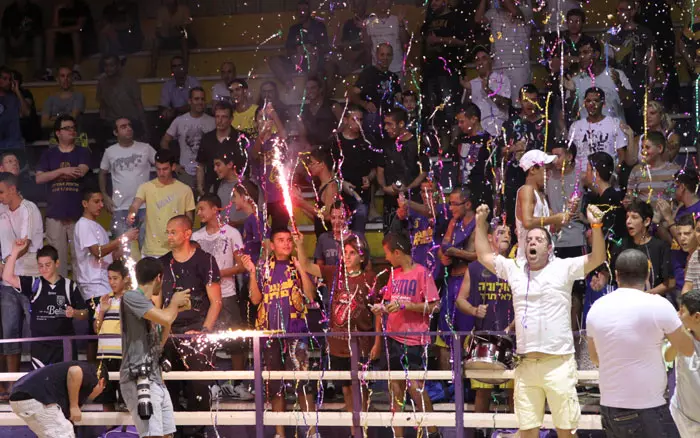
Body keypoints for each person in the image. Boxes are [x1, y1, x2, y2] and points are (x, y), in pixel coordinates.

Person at [473, 201, 606, 438]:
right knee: (527, 433)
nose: (532, 242)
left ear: (550, 248)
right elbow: (483, 255)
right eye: (529, 240)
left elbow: (597, 258)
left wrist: (596, 225)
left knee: (566, 432)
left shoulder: (564, 268)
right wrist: (479, 223)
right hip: (525, 367)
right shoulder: (514, 268)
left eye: (539, 240)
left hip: (558, 364)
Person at [587, 248, 695, 438]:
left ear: (617, 275)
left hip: (609, 408)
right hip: (646, 408)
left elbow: (595, 358)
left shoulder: (596, 308)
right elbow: (687, 349)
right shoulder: (658, 305)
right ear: (647, 274)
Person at [295, 232, 380, 438]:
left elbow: (378, 313)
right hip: (337, 344)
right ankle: (354, 431)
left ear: (362, 256)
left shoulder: (370, 278)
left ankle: (364, 430)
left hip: (363, 343)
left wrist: (377, 342)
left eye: (352, 253)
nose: (347, 256)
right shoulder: (334, 273)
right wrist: (300, 244)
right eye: (345, 252)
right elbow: (306, 266)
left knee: (361, 388)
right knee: (347, 389)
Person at [244, 227, 319, 438]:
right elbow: (255, 300)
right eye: (281, 240)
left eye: (288, 240)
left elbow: (310, 296)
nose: (286, 243)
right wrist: (251, 273)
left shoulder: (298, 265)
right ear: (272, 244)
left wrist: (302, 269)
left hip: (296, 333)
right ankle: (279, 433)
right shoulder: (264, 268)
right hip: (270, 335)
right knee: (274, 385)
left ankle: (312, 432)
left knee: (302, 382)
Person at [372, 232, 441, 438]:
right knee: (395, 389)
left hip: (413, 340)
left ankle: (433, 432)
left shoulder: (422, 273)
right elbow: (388, 303)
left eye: (387, 253)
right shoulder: (393, 275)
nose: (386, 258)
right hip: (392, 338)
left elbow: (435, 306)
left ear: (397, 252)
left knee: (416, 388)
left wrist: (407, 305)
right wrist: (380, 309)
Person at [158, 215, 221, 432]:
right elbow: (156, 303)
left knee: (198, 388)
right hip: (168, 334)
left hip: (196, 334)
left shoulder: (206, 260)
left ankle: (197, 433)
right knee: (168, 389)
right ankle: (172, 432)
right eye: (167, 232)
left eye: (172, 232)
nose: (169, 236)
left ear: (187, 234)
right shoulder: (162, 263)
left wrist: (204, 331)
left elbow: (216, 302)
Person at [120, 257, 190, 438]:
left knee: (167, 435)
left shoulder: (150, 307)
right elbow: (166, 317)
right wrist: (173, 305)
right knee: (153, 436)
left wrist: (175, 311)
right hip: (138, 377)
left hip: (156, 379)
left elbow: (159, 342)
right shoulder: (131, 297)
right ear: (159, 277)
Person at [192, 194, 251, 400]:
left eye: (202, 208)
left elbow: (242, 265)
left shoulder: (232, 233)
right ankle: (212, 384)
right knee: (206, 341)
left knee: (236, 341)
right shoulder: (196, 237)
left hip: (227, 293)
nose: (199, 213)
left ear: (215, 209)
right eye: (197, 209)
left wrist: (218, 274)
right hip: (204, 297)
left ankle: (237, 384)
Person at [456, 221, 514, 413]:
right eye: (501, 232)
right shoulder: (474, 268)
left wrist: (513, 325)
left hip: (511, 339)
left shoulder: (516, 266)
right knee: (482, 392)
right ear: (489, 238)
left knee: (516, 390)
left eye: (509, 233)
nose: (507, 236)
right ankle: (479, 432)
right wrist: (473, 310)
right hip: (483, 337)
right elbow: (460, 300)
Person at [3, 241, 87, 368]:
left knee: (65, 385)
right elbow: (7, 277)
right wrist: (15, 251)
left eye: (48, 265)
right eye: (40, 266)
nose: (44, 269)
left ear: (57, 263)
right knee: (41, 385)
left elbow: (84, 313)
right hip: (40, 349)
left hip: (64, 347)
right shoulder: (34, 284)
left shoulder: (70, 286)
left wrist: (74, 313)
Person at [36, 114, 90, 277]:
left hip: (78, 214)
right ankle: (59, 297)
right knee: (56, 260)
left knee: (79, 260)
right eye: (67, 128)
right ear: (58, 133)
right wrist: (63, 171)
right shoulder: (48, 154)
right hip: (55, 213)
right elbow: (39, 178)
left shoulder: (82, 151)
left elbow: (80, 172)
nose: (72, 131)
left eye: (73, 128)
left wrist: (53, 173)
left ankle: (81, 297)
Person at [0, 171, 42, 378]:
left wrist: (6, 262)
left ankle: (35, 379)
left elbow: (24, 246)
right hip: (7, 280)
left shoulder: (29, 209)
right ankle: (10, 383)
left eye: (1, 192)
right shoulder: (1, 210)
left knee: (35, 330)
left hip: (29, 278)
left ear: (13, 189)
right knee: (9, 334)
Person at [99, 117, 156, 248]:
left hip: (145, 207)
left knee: (147, 249)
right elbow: (102, 173)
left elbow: (162, 166)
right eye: (123, 127)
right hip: (120, 207)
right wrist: (104, 195)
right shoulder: (110, 152)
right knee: (124, 252)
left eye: (129, 125)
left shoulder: (145, 148)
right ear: (115, 132)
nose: (128, 128)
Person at [9, 361, 106, 438]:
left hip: (19, 397)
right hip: (36, 398)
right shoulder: (92, 373)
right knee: (64, 434)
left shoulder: (63, 383)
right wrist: (74, 406)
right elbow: (75, 371)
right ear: (102, 382)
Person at [436, 187, 477, 368]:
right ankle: (448, 381)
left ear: (467, 204)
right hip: (451, 280)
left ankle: (466, 382)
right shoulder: (454, 222)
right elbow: (442, 248)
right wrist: (442, 256)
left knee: (466, 332)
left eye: (454, 204)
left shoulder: (478, 223)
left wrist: (456, 252)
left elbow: (480, 255)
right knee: (445, 331)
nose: (450, 208)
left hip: (468, 283)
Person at [127, 150, 195, 258]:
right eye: (158, 169)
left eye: (165, 169)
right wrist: (132, 213)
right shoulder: (146, 187)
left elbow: (189, 220)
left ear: (173, 167)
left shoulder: (185, 190)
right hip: (151, 250)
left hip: (176, 249)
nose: (161, 173)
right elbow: (135, 204)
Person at [376, 108, 428, 231]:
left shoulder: (417, 143)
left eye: (389, 124)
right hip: (391, 201)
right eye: (385, 124)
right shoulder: (385, 144)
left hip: (414, 200)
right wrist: (385, 188)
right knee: (391, 240)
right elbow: (380, 170)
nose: (386, 128)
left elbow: (424, 171)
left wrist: (408, 188)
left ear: (401, 123)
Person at [607, 0, 655, 131]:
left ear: (633, 11)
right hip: (619, 85)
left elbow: (651, 61)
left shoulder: (644, 33)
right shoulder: (613, 35)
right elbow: (609, 62)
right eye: (618, 10)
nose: (619, 13)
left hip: (638, 85)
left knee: (638, 126)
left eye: (623, 10)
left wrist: (649, 89)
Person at [515, 149, 571, 259]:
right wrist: (555, 218)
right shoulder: (527, 190)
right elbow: (528, 222)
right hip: (528, 260)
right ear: (532, 170)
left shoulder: (542, 196)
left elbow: (554, 228)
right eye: (546, 170)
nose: (549, 174)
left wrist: (568, 211)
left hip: (544, 258)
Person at [475, 0, 533, 104]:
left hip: (518, 67)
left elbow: (515, 12)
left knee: (518, 105)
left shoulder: (525, 6)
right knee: (500, 107)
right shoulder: (494, 12)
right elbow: (478, 19)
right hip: (498, 66)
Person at [420, 0, 467, 129]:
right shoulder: (429, 20)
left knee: (450, 112)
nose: (433, 3)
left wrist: (439, 40)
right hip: (430, 72)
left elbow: (463, 42)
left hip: (448, 72)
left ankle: (452, 145)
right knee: (433, 113)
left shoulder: (455, 18)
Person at [566, 37, 633, 122]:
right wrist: (573, 93)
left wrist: (619, 85)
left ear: (596, 54)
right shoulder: (575, 81)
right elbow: (571, 113)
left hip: (615, 133)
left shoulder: (616, 74)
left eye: (585, 52)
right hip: (588, 133)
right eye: (579, 53)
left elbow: (628, 103)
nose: (581, 56)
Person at [160, 87, 216, 190]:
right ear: (190, 101)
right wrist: (173, 164)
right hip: (185, 173)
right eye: (196, 99)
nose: (200, 102)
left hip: (207, 172)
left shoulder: (213, 121)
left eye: (202, 99)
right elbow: (164, 141)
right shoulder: (179, 120)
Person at [268, 0, 329, 91]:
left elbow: (325, 47)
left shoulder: (319, 26)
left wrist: (312, 49)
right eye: (299, 10)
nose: (301, 13)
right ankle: (290, 87)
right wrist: (298, 50)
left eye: (304, 10)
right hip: (297, 62)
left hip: (315, 62)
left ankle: (311, 88)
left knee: (311, 55)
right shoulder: (294, 29)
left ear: (309, 11)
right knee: (274, 61)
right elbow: (288, 49)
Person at [657, 167, 700, 293]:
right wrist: (659, 223)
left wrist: (669, 218)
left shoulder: (698, 210)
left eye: (675, 186)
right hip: (676, 277)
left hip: (689, 280)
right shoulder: (681, 209)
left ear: (682, 187)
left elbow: (685, 243)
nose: (673, 190)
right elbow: (674, 242)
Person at [617, 200, 673, 297]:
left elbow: (670, 283)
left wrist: (646, 295)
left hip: (653, 304)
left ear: (646, 221)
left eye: (634, 217)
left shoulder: (660, 246)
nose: (628, 221)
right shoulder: (622, 245)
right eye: (627, 217)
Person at [93, 260, 129, 409]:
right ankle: (109, 433)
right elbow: (96, 328)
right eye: (109, 278)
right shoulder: (104, 299)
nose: (112, 282)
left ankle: (125, 433)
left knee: (125, 401)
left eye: (115, 278)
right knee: (106, 399)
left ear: (125, 278)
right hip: (104, 355)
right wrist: (102, 311)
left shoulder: (131, 299)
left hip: (124, 355)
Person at [568, 87, 627, 175]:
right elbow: (570, 155)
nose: (592, 104)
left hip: (607, 176)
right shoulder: (575, 126)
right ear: (584, 103)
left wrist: (615, 174)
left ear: (603, 103)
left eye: (596, 100)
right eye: (588, 101)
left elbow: (622, 154)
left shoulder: (614, 123)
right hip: (581, 178)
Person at [666, 289, 700, 437]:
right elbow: (668, 357)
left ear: (697, 317)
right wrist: (679, 337)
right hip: (683, 417)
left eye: (682, 311)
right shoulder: (682, 337)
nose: (678, 315)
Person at [350, 43, 402, 137]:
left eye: (388, 55)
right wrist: (365, 104)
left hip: (388, 117)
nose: (385, 58)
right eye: (382, 54)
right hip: (372, 116)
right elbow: (352, 95)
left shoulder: (393, 77)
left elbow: (399, 98)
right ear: (376, 55)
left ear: (392, 57)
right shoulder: (368, 73)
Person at [96, 55, 149, 145]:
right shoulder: (101, 82)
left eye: (111, 65)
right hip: (112, 123)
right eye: (106, 66)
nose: (108, 68)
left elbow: (138, 104)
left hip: (131, 121)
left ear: (118, 66)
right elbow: (103, 106)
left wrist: (145, 127)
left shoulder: (130, 81)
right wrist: (102, 124)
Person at [460, 46, 511, 138]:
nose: (480, 62)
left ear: (490, 61)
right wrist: (467, 90)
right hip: (480, 132)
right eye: (477, 60)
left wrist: (488, 91)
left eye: (484, 58)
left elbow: (505, 104)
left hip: (501, 129)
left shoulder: (502, 79)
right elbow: (465, 112)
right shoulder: (471, 84)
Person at [196, 102, 245, 196]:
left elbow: (246, 167)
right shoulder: (207, 138)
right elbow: (200, 165)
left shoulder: (241, 139)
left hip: (236, 189)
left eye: (224, 117)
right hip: (212, 188)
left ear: (231, 119)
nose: (220, 120)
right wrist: (200, 188)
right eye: (217, 116)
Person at [583, 151, 628, 247]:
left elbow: (608, 233)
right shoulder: (604, 197)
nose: (585, 174)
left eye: (588, 170)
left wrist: (592, 235)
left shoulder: (610, 200)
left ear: (596, 174)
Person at [43, 0, 96, 81]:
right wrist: (57, 10)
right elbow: (54, 27)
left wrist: (62, 30)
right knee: (50, 35)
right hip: (65, 41)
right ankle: (49, 71)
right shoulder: (61, 8)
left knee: (75, 34)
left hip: (82, 41)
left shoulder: (82, 7)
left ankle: (76, 69)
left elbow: (80, 27)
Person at [293, 148, 340, 237]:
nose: (309, 166)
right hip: (321, 236)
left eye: (312, 163)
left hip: (329, 238)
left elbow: (326, 216)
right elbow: (317, 218)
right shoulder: (322, 186)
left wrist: (302, 203)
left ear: (322, 164)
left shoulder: (331, 186)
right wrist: (298, 203)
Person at [625, 131, 679, 205]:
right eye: (642, 147)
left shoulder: (674, 170)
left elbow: (681, 200)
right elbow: (630, 195)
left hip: (666, 215)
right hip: (642, 215)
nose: (643, 151)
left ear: (660, 148)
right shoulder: (637, 170)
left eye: (647, 147)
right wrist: (628, 200)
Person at [0, 0, 44, 80]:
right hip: (12, 45)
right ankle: (2, 72)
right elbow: (4, 29)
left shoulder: (35, 10)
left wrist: (24, 35)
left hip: (28, 46)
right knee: (1, 40)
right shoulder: (9, 10)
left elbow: (39, 30)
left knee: (38, 39)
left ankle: (38, 72)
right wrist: (11, 37)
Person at [363, 0, 408, 75]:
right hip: (377, 69)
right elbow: (367, 46)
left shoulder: (397, 20)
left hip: (396, 68)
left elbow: (405, 42)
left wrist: (400, 24)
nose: (382, 2)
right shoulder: (368, 22)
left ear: (390, 2)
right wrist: (363, 30)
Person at [150, 0, 192, 77]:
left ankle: (185, 69)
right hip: (165, 39)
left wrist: (178, 31)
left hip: (180, 38)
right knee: (156, 42)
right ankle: (153, 70)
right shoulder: (161, 11)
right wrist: (165, 32)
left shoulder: (184, 9)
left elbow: (188, 28)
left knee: (184, 40)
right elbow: (158, 30)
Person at [300, 76, 342, 146]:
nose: (309, 91)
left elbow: (343, 124)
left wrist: (333, 137)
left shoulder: (333, 105)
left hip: (332, 147)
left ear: (320, 89)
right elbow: (302, 132)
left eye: (313, 88)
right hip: (312, 148)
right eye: (307, 89)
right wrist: (306, 144)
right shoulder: (303, 110)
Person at [158, 56, 201, 123]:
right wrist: (165, 112)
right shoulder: (167, 85)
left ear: (185, 67)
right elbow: (163, 105)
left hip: (194, 118)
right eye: (174, 66)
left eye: (180, 65)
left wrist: (176, 110)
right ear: (171, 70)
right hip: (175, 120)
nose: (177, 69)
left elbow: (197, 104)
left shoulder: (193, 82)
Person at [0, 66, 27, 149]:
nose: (8, 82)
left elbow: (25, 113)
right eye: (5, 79)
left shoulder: (14, 98)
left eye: (10, 79)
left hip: (14, 144)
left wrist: (17, 91)